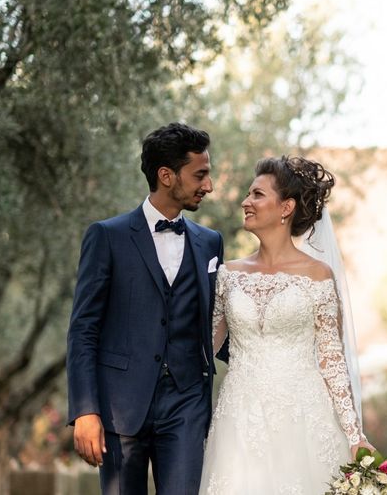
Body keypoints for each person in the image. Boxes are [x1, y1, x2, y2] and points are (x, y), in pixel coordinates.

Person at [199, 156, 374, 494]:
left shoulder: (318, 276)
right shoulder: (228, 275)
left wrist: (354, 436)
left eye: (257, 195)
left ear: (286, 207)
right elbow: (204, 351)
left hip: (304, 421)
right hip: (239, 422)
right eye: (249, 195)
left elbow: (332, 361)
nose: (245, 202)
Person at [66, 122, 225, 494]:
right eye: (200, 174)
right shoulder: (107, 236)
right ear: (166, 176)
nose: (209, 185)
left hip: (186, 405)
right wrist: (85, 410)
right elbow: (83, 329)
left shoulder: (210, 243)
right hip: (120, 407)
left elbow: (216, 324)